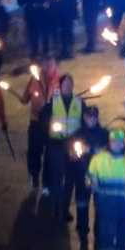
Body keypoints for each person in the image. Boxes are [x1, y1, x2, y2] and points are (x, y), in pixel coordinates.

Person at [65, 106, 109, 250]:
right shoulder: (77, 134)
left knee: (100, 210)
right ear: (84, 117)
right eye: (89, 116)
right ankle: (83, 236)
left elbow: (106, 153)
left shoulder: (104, 134)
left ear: (97, 118)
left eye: (94, 117)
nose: (91, 119)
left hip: (99, 179)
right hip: (81, 178)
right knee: (82, 208)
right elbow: (71, 154)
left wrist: (89, 150)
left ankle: (99, 237)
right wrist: (74, 154)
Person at [41, 74, 84, 224]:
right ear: (60, 86)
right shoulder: (53, 101)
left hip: (72, 146)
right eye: (65, 84)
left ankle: (64, 209)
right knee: (57, 179)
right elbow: (43, 120)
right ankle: (56, 207)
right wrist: (49, 136)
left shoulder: (79, 102)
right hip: (57, 146)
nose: (68, 86)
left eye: (70, 84)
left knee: (69, 181)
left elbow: (84, 122)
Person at [20, 56, 60, 191]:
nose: (48, 68)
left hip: (51, 124)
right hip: (36, 122)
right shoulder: (34, 79)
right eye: (46, 65)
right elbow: (25, 98)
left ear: (55, 66)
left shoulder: (60, 82)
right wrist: (24, 98)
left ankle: (46, 183)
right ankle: (34, 176)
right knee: (34, 151)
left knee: (49, 154)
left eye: (51, 65)